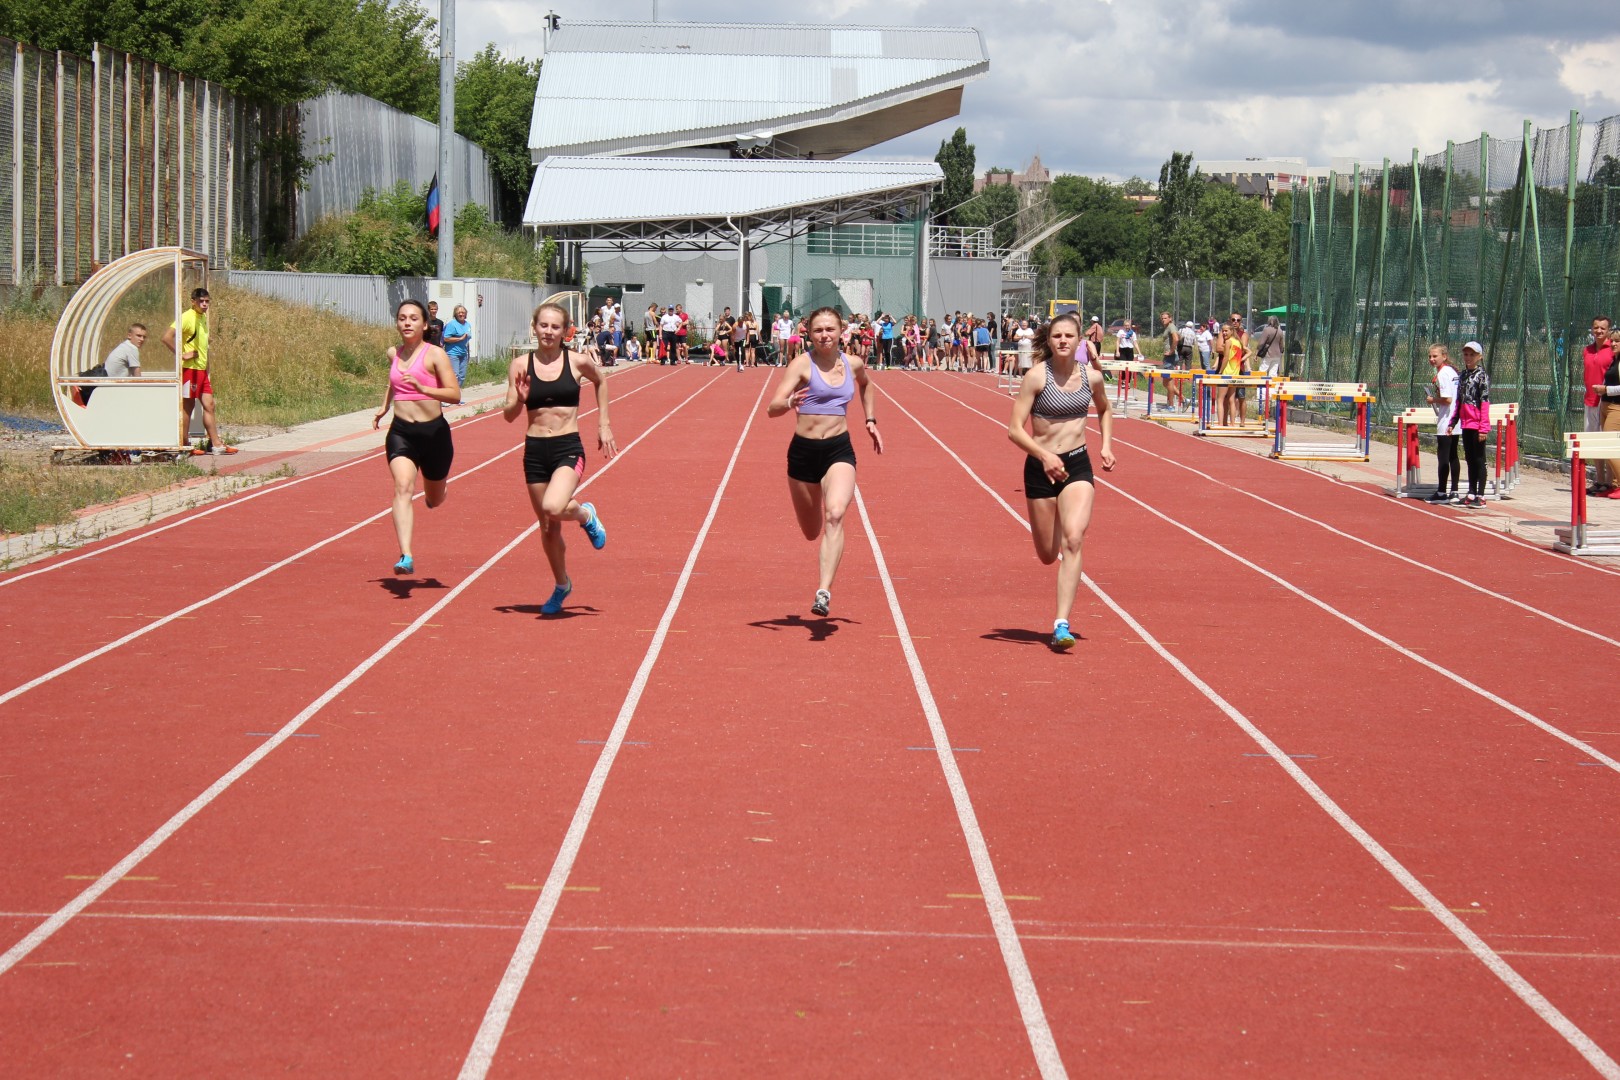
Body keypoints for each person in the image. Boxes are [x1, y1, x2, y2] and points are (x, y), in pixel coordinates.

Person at [1007, 312, 1115, 651]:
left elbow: (1105, 409)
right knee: (1047, 553)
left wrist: (1107, 445)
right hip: (1040, 469)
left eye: (1070, 336)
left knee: (1074, 540)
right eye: (1057, 336)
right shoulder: (1037, 377)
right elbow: (1013, 430)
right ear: (1050, 341)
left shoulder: (1092, 378)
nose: (1063, 341)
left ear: (1081, 340)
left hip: (1077, 466)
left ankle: (1061, 624)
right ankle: (1052, 526)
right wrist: (1044, 455)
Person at [767, 307, 882, 618]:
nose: (824, 335)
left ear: (841, 330)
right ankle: (821, 555)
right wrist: (789, 402)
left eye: (830, 329)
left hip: (838, 450)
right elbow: (772, 407)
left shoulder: (853, 364)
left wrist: (870, 419)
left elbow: (867, 385)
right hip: (803, 454)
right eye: (818, 330)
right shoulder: (801, 365)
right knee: (811, 530)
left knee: (834, 514)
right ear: (809, 333)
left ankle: (824, 591)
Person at [504, 301, 616, 614]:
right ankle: (562, 584)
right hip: (535, 451)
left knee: (554, 507)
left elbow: (602, 381)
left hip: (568, 447)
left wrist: (603, 424)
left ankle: (585, 515)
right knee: (548, 527)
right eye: (543, 326)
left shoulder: (578, 362)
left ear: (565, 331)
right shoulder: (520, 366)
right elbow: (509, 415)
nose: (549, 332)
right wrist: (520, 400)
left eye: (555, 327)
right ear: (534, 327)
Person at [373, 299, 461, 575]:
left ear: (425, 325)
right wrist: (384, 406)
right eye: (402, 318)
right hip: (402, 433)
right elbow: (393, 381)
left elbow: (454, 394)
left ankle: (438, 491)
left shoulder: (435, 355)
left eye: (413, 318)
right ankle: (406, 555)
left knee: (434, 499)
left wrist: (423, 387)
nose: (407, 322)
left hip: (434, 434)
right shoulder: (394, 353)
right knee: (402, 487)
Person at [162, 287, 236, 456]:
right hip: (190, 369)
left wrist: (207, 366)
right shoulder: (187, 317)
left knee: (210, 405)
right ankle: (184, 443)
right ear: (193, 301)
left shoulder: (202, 318)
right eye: (201, 301)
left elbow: (203, 344)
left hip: (201, 370)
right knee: (188, 406)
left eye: (207, 301)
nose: (204, 305)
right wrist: (182, 355)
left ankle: (216, 443)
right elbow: (166, 337)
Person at [1424, 344, 1461, 504]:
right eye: (1430, 357)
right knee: (1453, 455)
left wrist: (1433, 399)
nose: (1432, 359)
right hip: (1456, 420)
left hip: (1447, 420)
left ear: (1444, 356)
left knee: (1444, 456)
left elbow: (1447, 399)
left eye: (1435, 356)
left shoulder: (1443, 374)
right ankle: (1454, 491)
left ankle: (1441, 492)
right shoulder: (1453, 371)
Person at [1456, 341, 1491, 509]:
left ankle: (1481, 495)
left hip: (1477, 424)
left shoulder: (1482, 375)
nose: (1468, 358)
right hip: (1466, 423)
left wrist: (1483, 427)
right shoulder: (1463, 375)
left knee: (1479, 459)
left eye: (1472, 355)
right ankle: (1471, 492)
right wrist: (1453, 421)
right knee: (1469, 459)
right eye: (1466, 354)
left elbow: (1484, 402)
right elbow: (1458, 401)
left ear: (1479, 357)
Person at [1582, 316, 1614, 495]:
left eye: (1602, 328)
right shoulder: (1587, 350)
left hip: (1606, 401)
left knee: (1606, 442)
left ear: (1608, 330)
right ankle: (1599, 479)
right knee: (1593, 441)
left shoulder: (1613, 349)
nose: (1599, 331)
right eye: (1596, 328)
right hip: (1590, 400)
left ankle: (1610, 481)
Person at [1589, 324, 1620, 500]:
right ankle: (1613, 484)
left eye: (1617, 341)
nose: (1613, 344)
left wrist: (1606, 389)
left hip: (1617, 408)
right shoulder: (1614, 360)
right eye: (1613, 340)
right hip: (1605, 406)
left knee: (1610, 446)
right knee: (1607, 446)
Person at [1157, 312, 1184, 410]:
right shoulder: (1168, 327)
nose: (1163, 320)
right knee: (1165, 383)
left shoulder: (1171, 326)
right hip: (1168, 357)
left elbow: (1176, 339)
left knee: (1169, 383)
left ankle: (1172, 405)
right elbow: (1179, 337)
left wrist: (1171, 351)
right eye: (1162, 318)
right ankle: (1184, 399)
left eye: (1165, 318)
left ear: (1170, 319)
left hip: (1171, 357)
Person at [442, 304, 472, 388]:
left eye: (463, 312)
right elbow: (446, 338)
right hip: (453, 353)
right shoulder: (452, 324)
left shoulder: (468, 325)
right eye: (459, 312)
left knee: (462, 376)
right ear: (455, 314)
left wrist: (467, 352)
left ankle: (456, 395)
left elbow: (467, 339)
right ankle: (451, 396)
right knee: (454, 375)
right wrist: (459, 339)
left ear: (466, 314)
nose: (461, 314)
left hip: (463, 353)